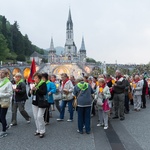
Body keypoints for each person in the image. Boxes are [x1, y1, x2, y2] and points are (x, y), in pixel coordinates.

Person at [29, 73, 47, 138]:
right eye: (34, 78)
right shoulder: (34, 84)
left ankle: (42, 131)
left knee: (40, 116)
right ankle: (38, 130)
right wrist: (31, 91)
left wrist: (37, 89)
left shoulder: (43, 83)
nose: (35, 79)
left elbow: (44, 92)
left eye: (36, 78)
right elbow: (30, 94)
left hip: (42, 102)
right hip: (35, 102)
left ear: (39, 78)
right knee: (36, 117)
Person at [0, 68, 13, 138]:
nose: (0, 74)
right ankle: (5, 125)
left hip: (5, 101)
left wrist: (1, 95)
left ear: (5, 74)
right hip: (0, 100)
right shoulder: (0, 81)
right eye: (0, 72)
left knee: (2, 116)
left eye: (2, 73)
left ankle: (4, 131)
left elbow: (10, 93)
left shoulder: (8, 83)